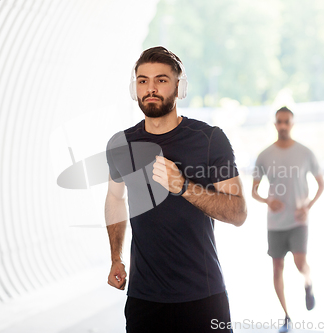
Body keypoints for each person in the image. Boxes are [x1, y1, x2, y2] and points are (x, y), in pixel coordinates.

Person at [104, 46, 247, 333]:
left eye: (161, 80)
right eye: (143, 81)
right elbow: (115, 198)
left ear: (179, 87)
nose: (151, 88)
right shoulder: (121, 144)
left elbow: (238, 212)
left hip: (202, 298)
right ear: (135, 88)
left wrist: (183, 186)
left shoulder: (209, 140)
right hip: (144, 300)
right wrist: (116, 258)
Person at [251, 107, 324, 333]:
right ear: (275, 124)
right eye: (279, 122)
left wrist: (308, 206)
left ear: (292, 124)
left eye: (287, 122)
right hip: (275, 223)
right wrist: (266, 201)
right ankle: (286, 315)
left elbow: (321, 184)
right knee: (277, 268)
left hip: (298, 220)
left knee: (300, 263)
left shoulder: (305, 153)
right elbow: (254, 191)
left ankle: (308, 283)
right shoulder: (264, 155)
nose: (283, 125)